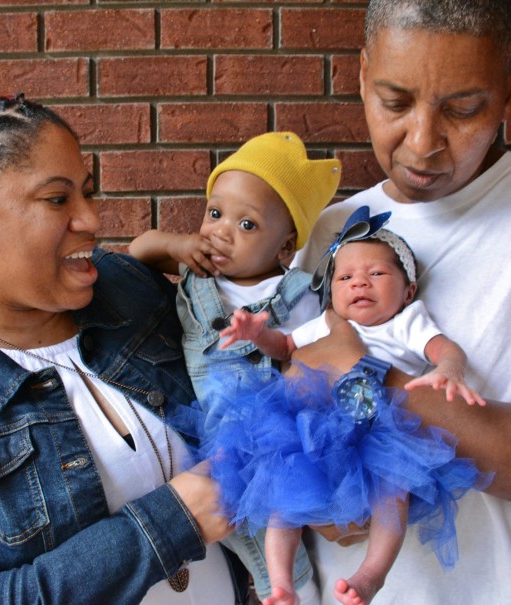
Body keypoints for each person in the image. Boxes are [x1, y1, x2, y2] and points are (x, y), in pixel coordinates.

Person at [0, 86, 250, 604]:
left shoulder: (133, 293)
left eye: (87, 192)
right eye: (57, 199)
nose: (91, 219)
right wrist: (172, 521)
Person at [289, 1, 511, 603]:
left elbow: (325, 367)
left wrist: (363, 382)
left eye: (463, 109)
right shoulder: (328, 229)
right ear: (361, 76)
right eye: (394, 101)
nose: (422, 142)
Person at [218, 206, 487, 605]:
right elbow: (288, 347)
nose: (360, 282)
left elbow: (445, 348)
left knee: (391, 497)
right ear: (332, 291)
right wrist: (259, 336)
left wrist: (449, 368)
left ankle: (370, 576)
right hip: (313, 426)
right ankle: (280, 584)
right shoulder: (327, 321)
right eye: (345, 277)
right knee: (284, 499)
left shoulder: (405, 321)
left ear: (408, 290)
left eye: (376, 274)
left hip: (382, 432)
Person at [130, 131, 341, 604]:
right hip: (201, 431)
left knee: (270, 526)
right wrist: (177, 244)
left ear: (285, 245)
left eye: (247, 225)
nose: (221, 231)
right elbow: (138, 251)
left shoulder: (297, 294)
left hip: (267, 432)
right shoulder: (196, 270)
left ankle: (292, 591)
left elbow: (309, 358)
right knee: (230, 524)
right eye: (215, 212)